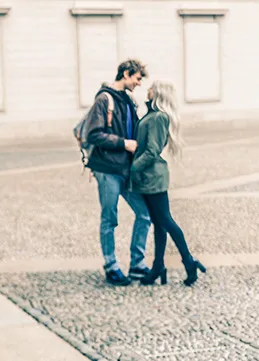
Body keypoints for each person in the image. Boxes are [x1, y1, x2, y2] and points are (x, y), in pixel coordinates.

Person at [130, 80, 206, 287]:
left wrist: (134, 168)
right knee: (159, 223)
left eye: (151, 88)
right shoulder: (153, 115)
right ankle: (158, 266)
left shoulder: (158, 118)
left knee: (166, 220)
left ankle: (188, 261)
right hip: (150, 177)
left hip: (153, 177)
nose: (148, 90)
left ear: (159, 93)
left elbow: (152, 150)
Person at [84, 59, 152, 286]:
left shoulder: (130, 100)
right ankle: (111, 266)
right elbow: (93, 134)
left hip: (127, 169)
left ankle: (137, 264)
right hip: (108, 169)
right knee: (109, 218)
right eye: (137, 78)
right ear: (126, 74)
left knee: (145, 214)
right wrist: (124, 143)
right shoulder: (105, 99)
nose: (139, 84)